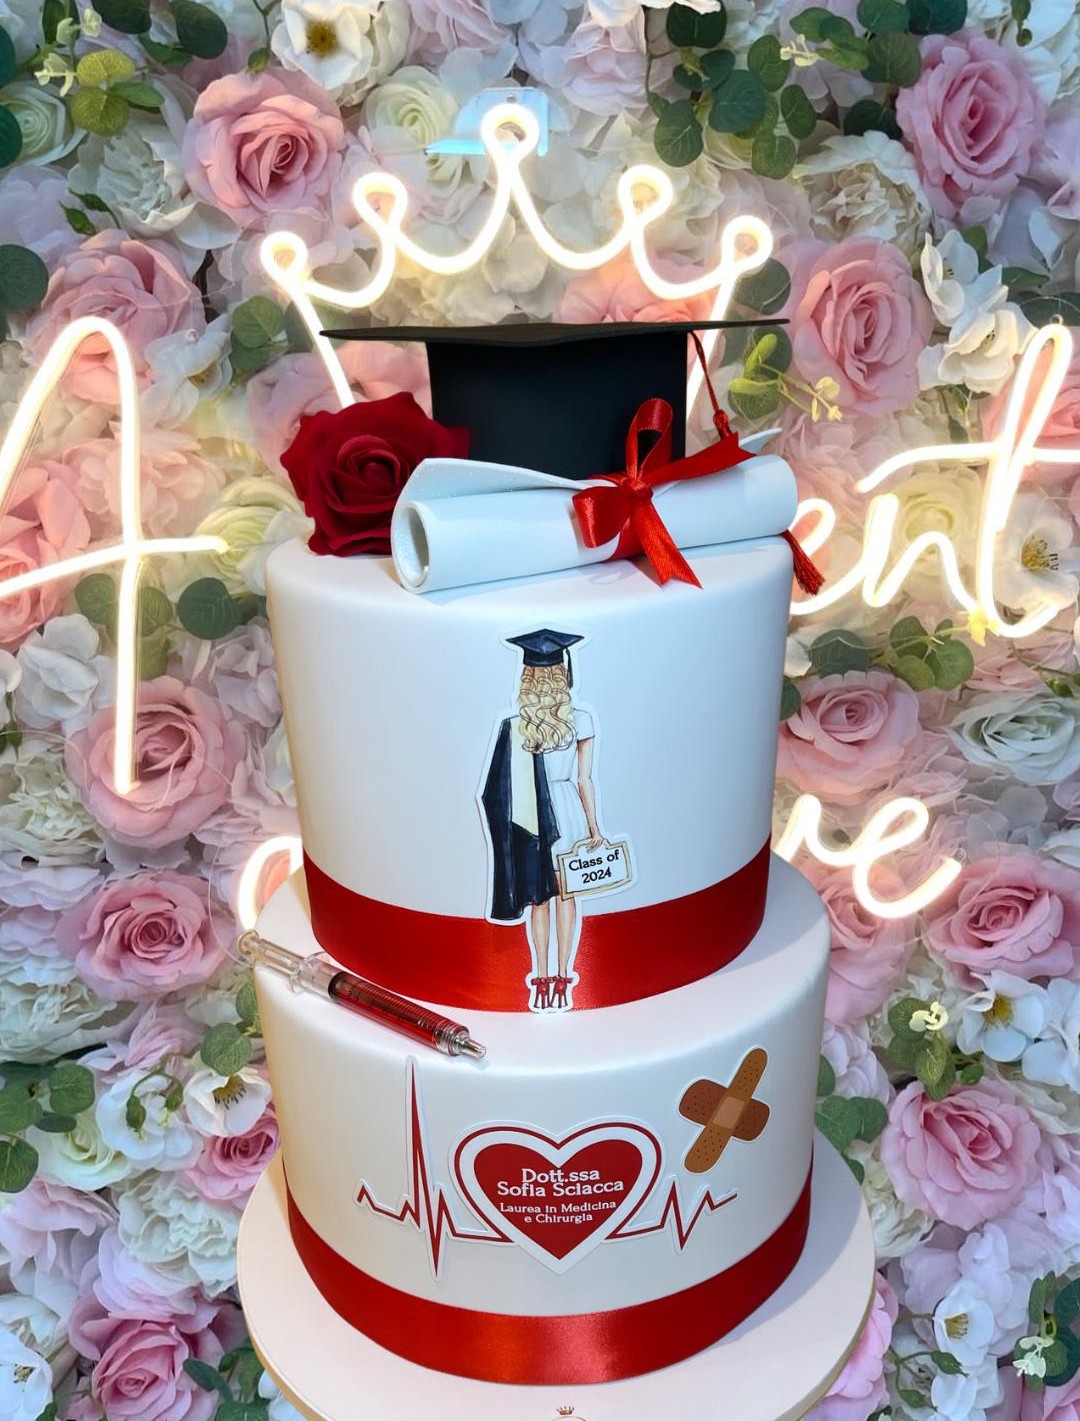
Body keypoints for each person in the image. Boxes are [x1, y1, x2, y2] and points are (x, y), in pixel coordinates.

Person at [481, 630, 603, 1012]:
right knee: (567, 896)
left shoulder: (519, 726)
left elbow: (498, 789)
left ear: (528, 680)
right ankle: (565, 975)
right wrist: (595, 829)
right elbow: (584, 780)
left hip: (531, 814)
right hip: (568, 812)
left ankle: (543, 975)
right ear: (564, 676)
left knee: (540, 900)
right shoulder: (580, 720)